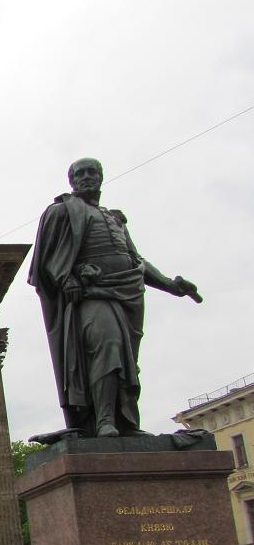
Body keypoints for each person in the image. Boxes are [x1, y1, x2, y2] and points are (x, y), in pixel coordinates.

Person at [29, 158, 201, 438]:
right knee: (106, 345)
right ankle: (103, 421)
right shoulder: (61, 211)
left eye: (92, 172)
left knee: (127, 360)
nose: (86, 177)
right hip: (91, 293)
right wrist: (67, 277)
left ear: (101, 177)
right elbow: (45, 260)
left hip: (128, 292)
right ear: (71, 180)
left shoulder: (114, 218)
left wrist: (171, 285)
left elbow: (136, 261)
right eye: (80, 173)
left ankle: (125, 422)